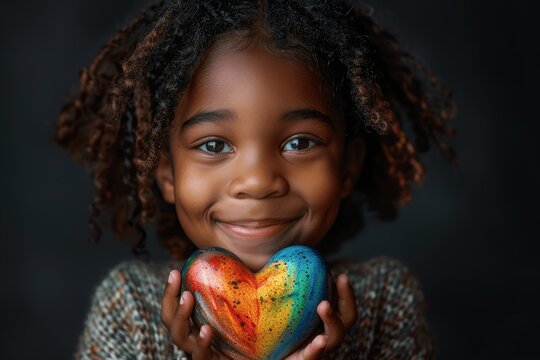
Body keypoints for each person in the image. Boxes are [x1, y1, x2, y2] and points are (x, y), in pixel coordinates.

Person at [54, 0, 457, 358]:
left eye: (299, 142)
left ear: (347, 168)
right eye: (214, 146)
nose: (259, 181)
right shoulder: (128, 308)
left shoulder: (386, 303)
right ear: (166, 173)